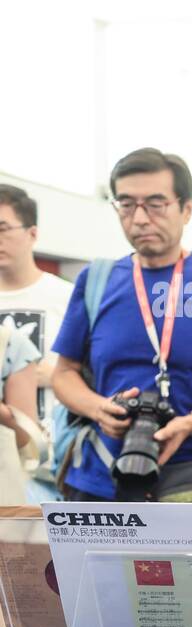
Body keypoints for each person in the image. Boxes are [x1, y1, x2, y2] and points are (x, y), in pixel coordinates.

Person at [51, 148, 192, 503]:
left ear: (186, 208)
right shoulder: (96, 280)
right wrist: (96, 408)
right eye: (126, 204)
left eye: (155, 204)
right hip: (100, 476)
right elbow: (63, 373)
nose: (139, 218)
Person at [0, 184, 73, 500]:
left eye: (3, 228)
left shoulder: (67, 297)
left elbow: (97, 374)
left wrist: (54, 375)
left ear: (32, 234)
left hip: (54, 461)